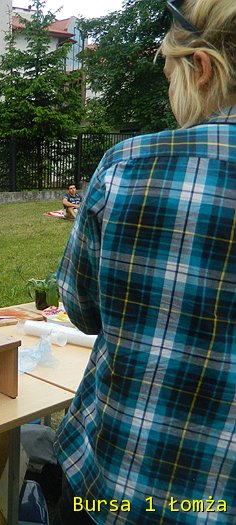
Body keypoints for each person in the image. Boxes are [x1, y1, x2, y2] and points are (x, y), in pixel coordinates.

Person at [54, 1, 235, 524]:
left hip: (109, 479)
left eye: (170, 73)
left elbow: (82, 309)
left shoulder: (128, 166)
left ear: (202, 68)